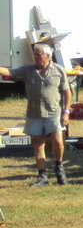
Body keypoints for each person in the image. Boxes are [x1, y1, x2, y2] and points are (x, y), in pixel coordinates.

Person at [0, 43, 71, 186]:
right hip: (34, 113)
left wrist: (66, 112)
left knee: (58, 142)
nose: (36, 57)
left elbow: (67, 92)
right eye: (35, 54)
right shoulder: (28, 70)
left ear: (48, 56)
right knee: (38, 145)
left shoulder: (58, 70)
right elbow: (9, 72)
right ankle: (42, 176)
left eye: (39, 54)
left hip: (54, 112)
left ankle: (59, 167)